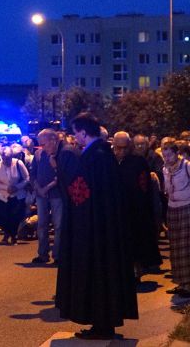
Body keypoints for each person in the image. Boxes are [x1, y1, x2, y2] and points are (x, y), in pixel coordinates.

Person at [56, 113, 138, 340]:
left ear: (83, 132)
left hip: (96, 229)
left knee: (99, 273)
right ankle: (103, 323)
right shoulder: (101, 155)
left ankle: (102, 325)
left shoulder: (96, 157)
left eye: (75, 133)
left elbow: (84, 192)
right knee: (103, 273)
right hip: (102, 226)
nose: (74, 137)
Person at [112, 131, 162, 278]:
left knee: (137, 240)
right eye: (118, 148)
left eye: (124, 148)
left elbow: (143, 186)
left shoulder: (138, 161)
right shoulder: (111, 161)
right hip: (118, 208)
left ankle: (138, 268)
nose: (121, 151)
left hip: (136, 208)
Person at [30, 128, 74, 264]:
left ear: (53, 140)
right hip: (41, 195)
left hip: (56, 194)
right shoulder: (40, 154)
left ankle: (58, 255)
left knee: (58, 225)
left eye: (43, 144)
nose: (41, 147)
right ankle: (42, 254)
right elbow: (33, 174)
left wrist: (47, 188)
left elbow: (60, 176)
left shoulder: (62, 154)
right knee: (41, 224)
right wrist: (38, 188)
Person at [162, 141, 190, 298]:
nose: (166, 158)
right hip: (172, 208)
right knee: (175, 247)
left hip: (186, 207)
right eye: (164, 155)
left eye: (169, 155)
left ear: (176, 153)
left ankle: (188, 284)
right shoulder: (165, 169)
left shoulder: (186, 166)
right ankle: (181, 282)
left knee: (186, 246)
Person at [0, 146, 29, 245]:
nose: (6, 161)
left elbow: (27, 178)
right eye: (4, 159)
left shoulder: (18, 163)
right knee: (5, 216)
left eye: (8, 159)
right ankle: (7, 233)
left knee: (15, 216)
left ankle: (13, 235)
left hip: (18, 194)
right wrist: (7, 188)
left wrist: (17, 187)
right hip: (4, 195)